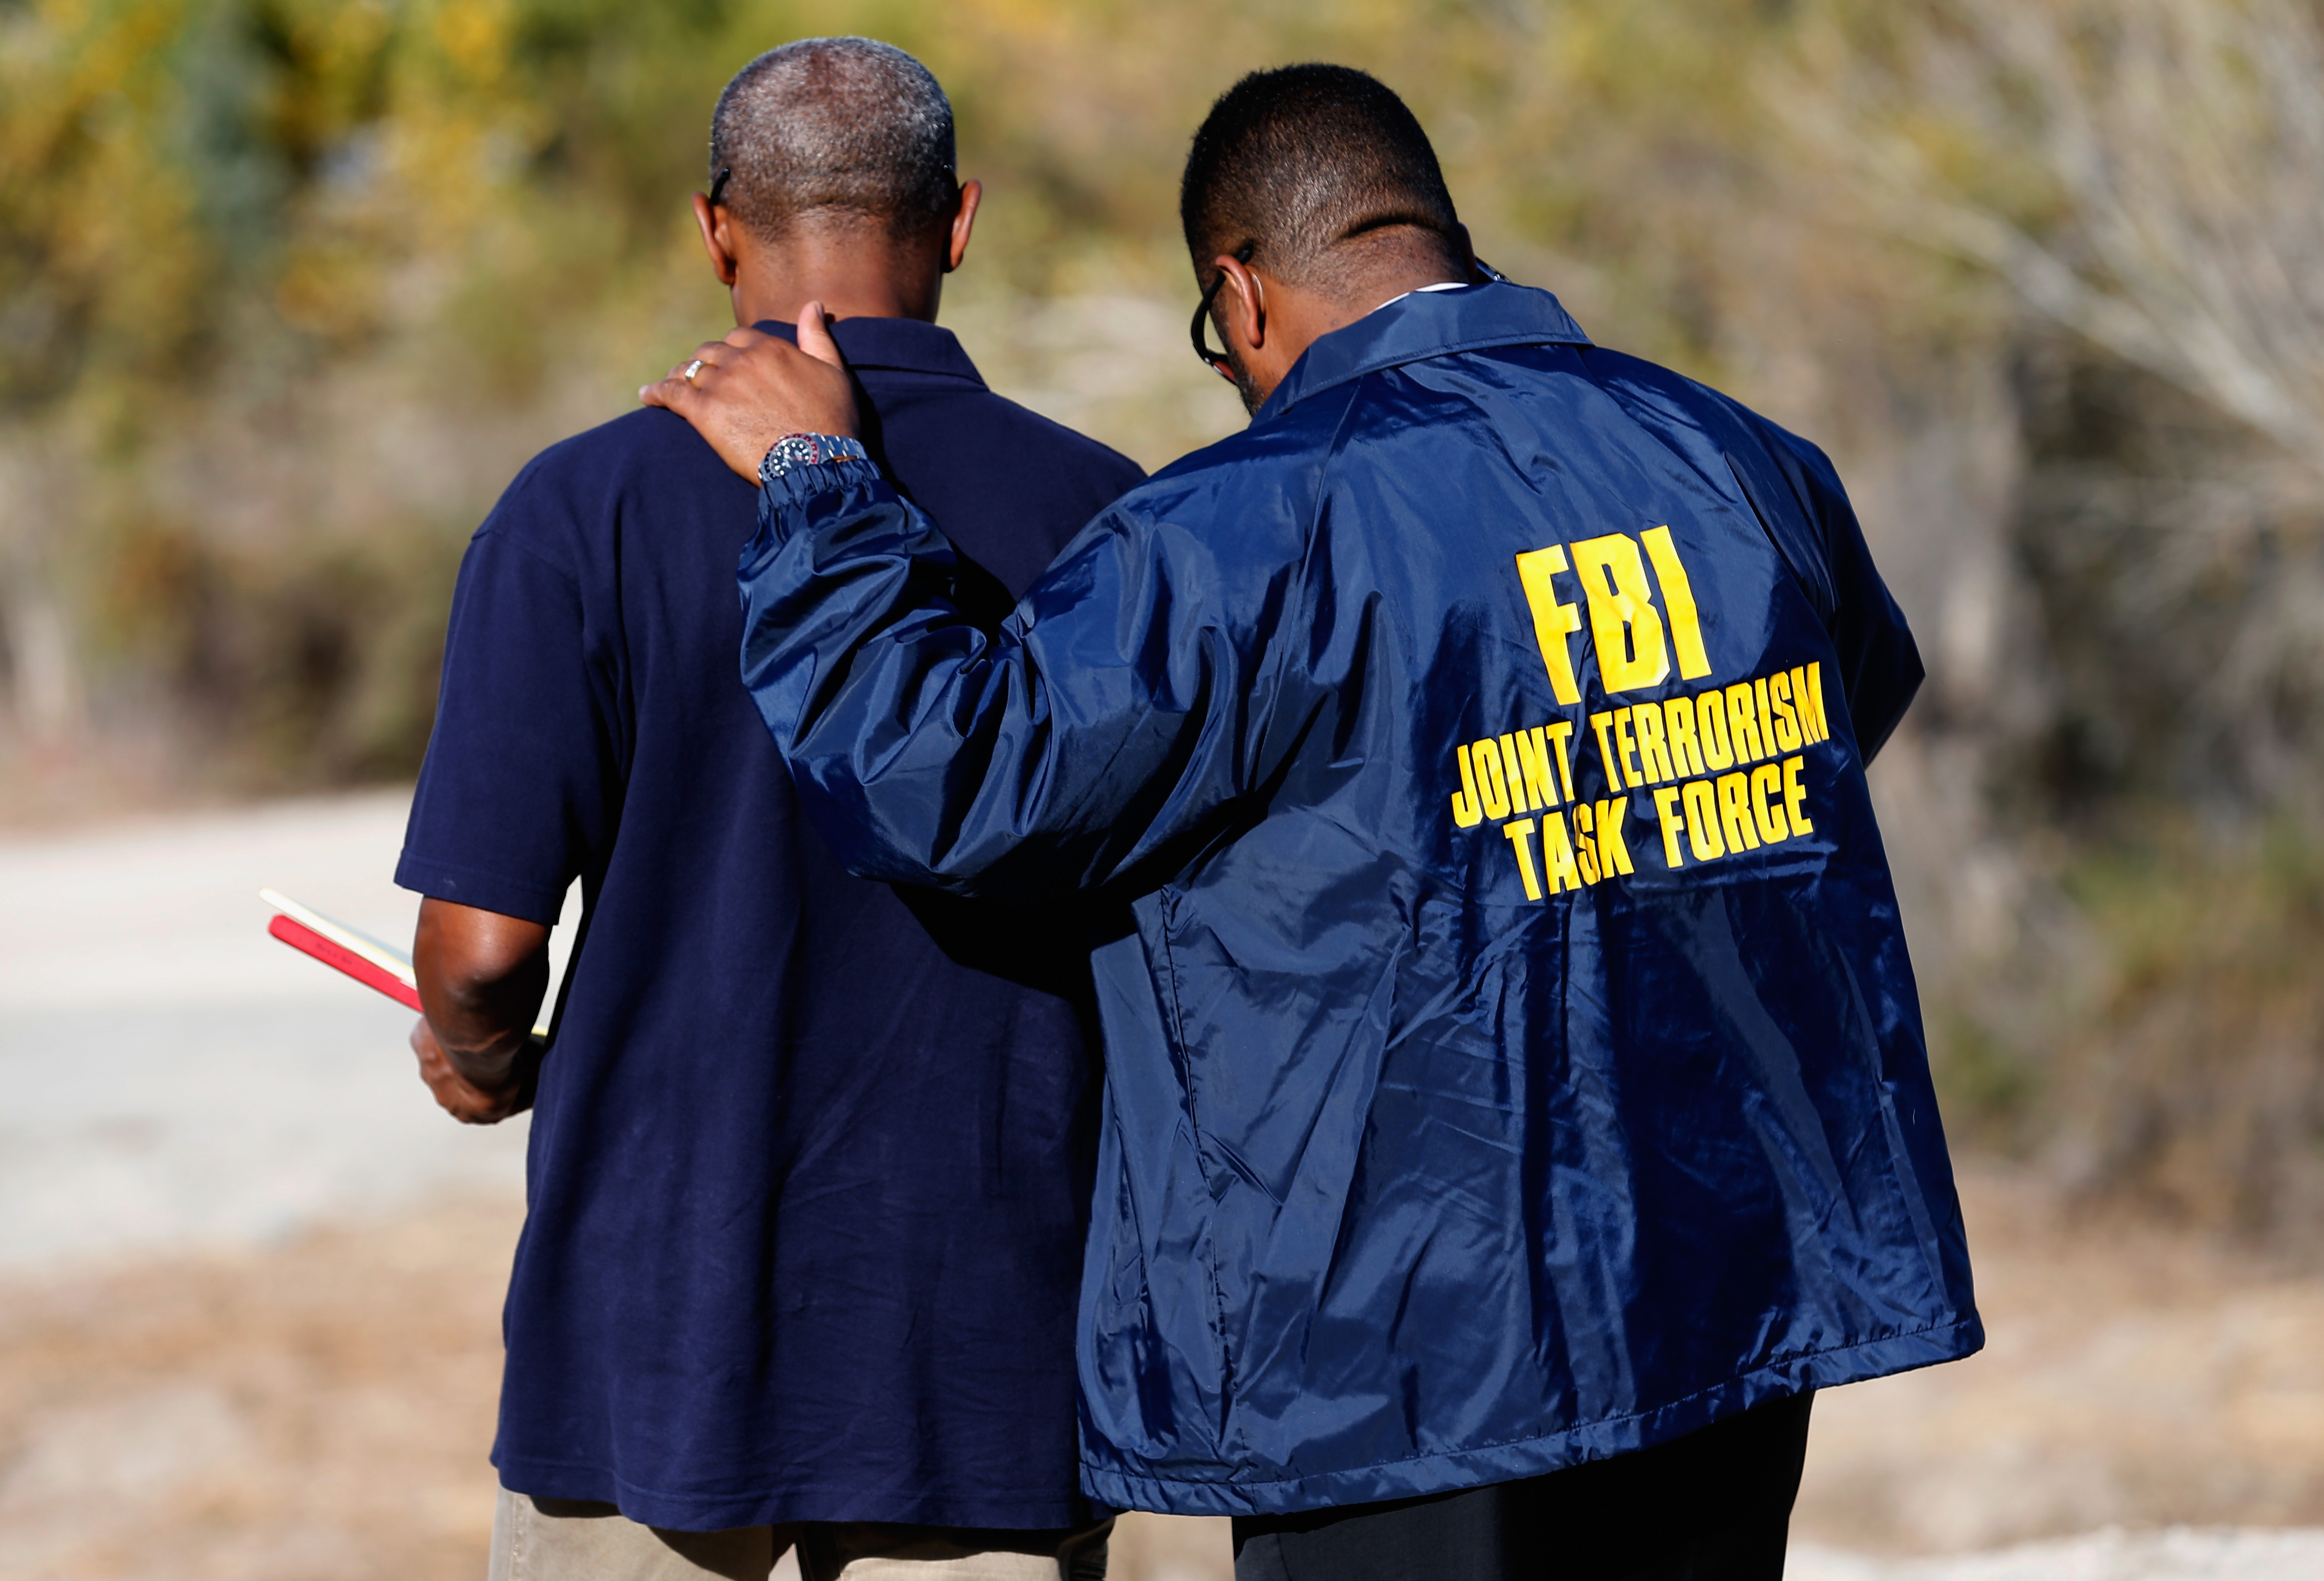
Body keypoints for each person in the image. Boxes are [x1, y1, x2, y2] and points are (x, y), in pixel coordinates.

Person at [645, 62, 1982, 1581]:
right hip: (1724, 1293)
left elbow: (949, 781)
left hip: (1391, 1351)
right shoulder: (1742, 460)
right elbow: (1838, 719)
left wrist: (820, 482)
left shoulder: (1237, 529)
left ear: (1241, 294)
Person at [399, 37, 1139, 1581]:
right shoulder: (1109, 513)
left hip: (651, 1355)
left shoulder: (577, 511)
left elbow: (479, 954)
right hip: (984, 1348)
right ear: (958, 222)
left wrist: (482, 1059)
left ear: (715, 228)